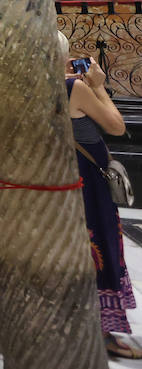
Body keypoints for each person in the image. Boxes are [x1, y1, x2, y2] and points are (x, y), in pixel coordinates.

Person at [62, 31, 141, 359]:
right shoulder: (73, 87)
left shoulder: (39, 86)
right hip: (88, 182)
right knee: (99, 247)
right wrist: (97, 85)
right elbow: (116, 126)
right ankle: (104, 332)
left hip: (62, 176)